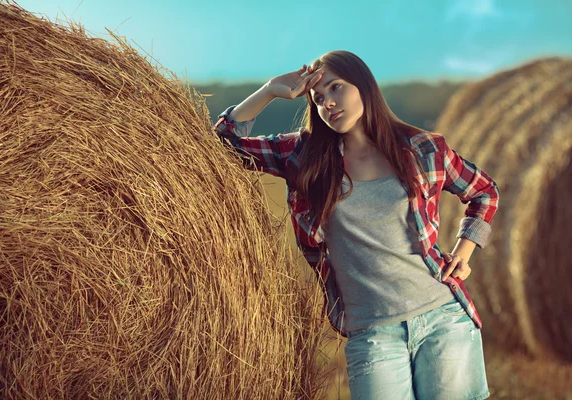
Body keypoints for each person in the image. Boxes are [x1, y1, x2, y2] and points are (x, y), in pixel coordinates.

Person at [212, 50, 498, 400]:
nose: (328, 103)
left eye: (336, 88)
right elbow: (224, 142)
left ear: (363, 86)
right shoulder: (303, 157)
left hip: (444, 320)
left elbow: (484, 192)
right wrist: (271, 89)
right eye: (318, 99)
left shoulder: (424, 149)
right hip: (373, 333)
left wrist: (464, 252)